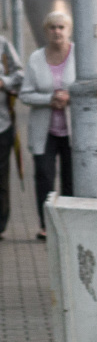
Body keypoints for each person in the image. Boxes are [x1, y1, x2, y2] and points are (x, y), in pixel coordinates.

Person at [19, 11, 74, 241]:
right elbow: (25, 94)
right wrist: (50, 99)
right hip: (45, 130)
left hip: (73, 131)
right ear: (45, 31)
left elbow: (89, 87)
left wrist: (69, 97)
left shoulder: (79, 55)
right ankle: (46, 225)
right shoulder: (36, 59)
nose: (57, 32)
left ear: (68, 30)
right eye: (52, 27)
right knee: (44, 176)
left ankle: (71, 223)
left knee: (71, 178)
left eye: (61, 27)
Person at [0, 32, 24, 240]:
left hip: (2, 123)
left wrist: (3, 82)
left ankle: (0, 224)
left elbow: (20, 74)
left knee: (1, 177)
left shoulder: (2, 44)